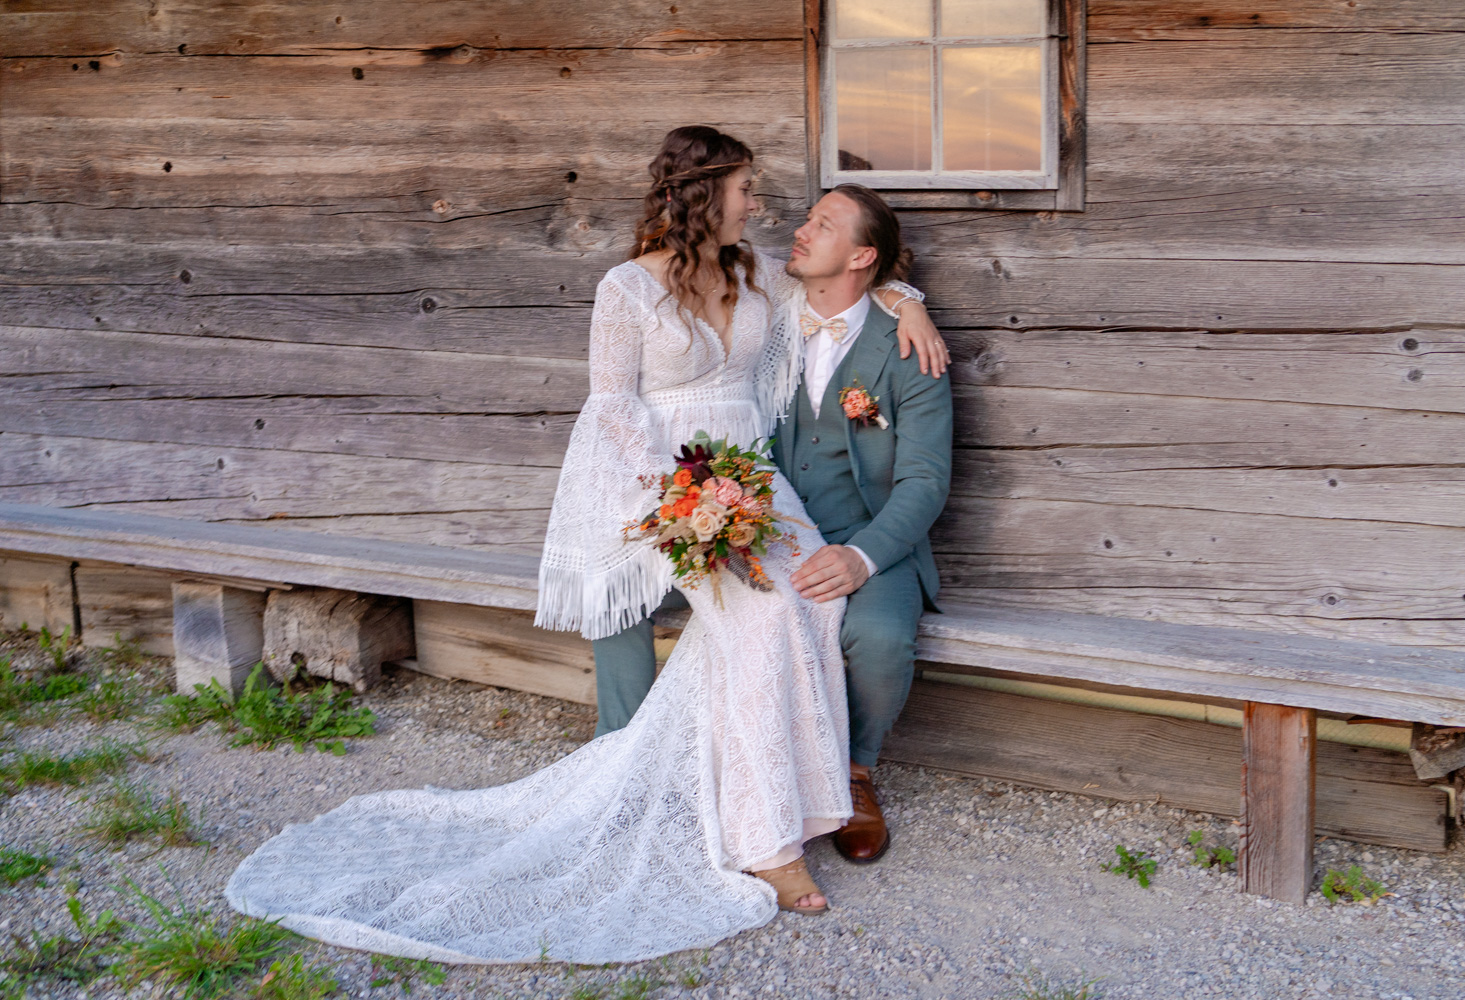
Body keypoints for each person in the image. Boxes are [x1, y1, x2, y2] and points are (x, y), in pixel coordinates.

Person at [223, 126, 946, 964]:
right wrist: (674, 498)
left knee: (807, 607)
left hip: (748, 480)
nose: (759, 205)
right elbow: (612, 407)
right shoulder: (625, 289)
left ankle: (804, 796)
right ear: (706, 194)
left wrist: (908, 300)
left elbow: (848, 296)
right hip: (659, 482)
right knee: (756, 619)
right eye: (747, 189)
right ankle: (764, 844)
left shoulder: (756, 276)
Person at [592, 182, 952, 867]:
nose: (799, 230)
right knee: (617, 589)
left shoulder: (909, 347)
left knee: (878, 638)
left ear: (862, 256)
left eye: (823, 224)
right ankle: (630, 766)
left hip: (866, 533)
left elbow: (926, 481)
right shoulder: (767, 316)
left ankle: (854, 773)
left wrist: (863, 557)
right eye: (807, 218)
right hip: (762, 523)